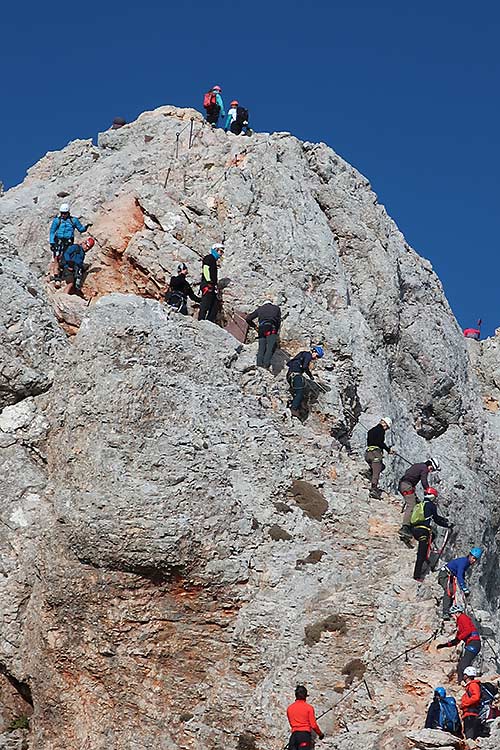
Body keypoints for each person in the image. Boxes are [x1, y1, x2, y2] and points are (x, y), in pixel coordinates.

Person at [409, 487, 452, 582]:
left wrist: (442, 519)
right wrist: (447, 525)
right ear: (433, 496)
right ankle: (417, 576)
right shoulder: (431, 506)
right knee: (421, 554)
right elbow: (436, 519)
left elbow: (433, 517)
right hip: (424, 531)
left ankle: (425, 557)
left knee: (432, 538)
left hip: (415, 529)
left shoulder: (421, 504)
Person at [437, 604, 481, 682]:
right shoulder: (460, 623)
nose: (452, 617)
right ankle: (462, 681)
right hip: (472, 643)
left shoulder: (462, 617)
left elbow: (468, 631)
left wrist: (459, 637)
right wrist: (445, 645)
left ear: (457, 613)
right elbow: (456, 640)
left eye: (452, 615)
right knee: (461, 665)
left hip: (473, 643)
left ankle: (463, 682)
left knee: (463, 665)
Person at [437, 548, 483, 620]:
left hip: (449, 575)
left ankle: (449, 610)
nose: (474, 560)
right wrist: (463, 587)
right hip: (444, 575)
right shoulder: (464, 562)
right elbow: (459, 575)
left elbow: (462, 573)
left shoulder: (466, 563)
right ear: (470, 555)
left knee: (453, 591)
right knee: (449, 590)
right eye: (473, 558)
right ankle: (445, 612)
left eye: (475, 559)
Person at [49, 204, 91, 278]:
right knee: (56, 257)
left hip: (68, 241)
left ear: (68, 213)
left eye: (64, 213)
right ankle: (56, 274)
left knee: (66, 256)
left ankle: (65, 272)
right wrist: (52, 242)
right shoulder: (57, 221)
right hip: (58, 241)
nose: (63, 215)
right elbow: (52, 231)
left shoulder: (73, 220)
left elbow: (80, 229)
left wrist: (86, 227)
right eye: (62, 213)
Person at [398, 460, 435, 542]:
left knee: (417, 503)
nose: (430, 471)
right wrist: (428, 490)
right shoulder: (424, 468)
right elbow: (424, 480)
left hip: (403, 484)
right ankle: (405, 527)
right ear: (430, 464)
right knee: (411, 505)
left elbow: (407, 472)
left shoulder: (417, 465)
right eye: (431, 468)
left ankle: (411, 526)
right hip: (407, 486)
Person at [286, 346, 324, 418]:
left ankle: (295, 407)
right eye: (317, 356)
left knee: (298, 392)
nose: (316, 358)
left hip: (290, 375)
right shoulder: (308, 355)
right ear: (314, 352)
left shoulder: (303, 355)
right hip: (296, 375)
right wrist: (310, 376)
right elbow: (305, 366)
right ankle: (293, 409)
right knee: (300, 393)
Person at [245, 299, 281, 369]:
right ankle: (266, 365)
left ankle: (259, 365)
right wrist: (276, 332)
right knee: (270, 347)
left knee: (261, 347)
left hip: (262, 328)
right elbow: (278, 321)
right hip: (271, 327)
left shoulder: (260, 309)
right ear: (271, 303)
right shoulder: (276, 308)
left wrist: (255, 326)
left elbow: (248, 318)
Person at [286, 685, 324, 750]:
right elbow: (313, 725)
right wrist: (320, 734)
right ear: (305, 696)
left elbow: (291, 723)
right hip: (304, 736)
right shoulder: (309, 708)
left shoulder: (289, 708)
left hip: (293, 737)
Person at [365, 418, 392, 499]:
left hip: (368, 453)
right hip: (375, 453)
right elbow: (380, 442)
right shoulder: (381, 431)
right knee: (377, 469)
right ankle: (373, 489)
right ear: (384, 423)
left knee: (381, 467)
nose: (386, 429)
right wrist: (388, 450)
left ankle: (369, 473)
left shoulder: (371, 430)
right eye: (387, 427)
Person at [198, 244, 224, 322]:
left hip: (211, 285)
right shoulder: (209, 258)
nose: (221, 253)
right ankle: (201, 320)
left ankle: (209, 320)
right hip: (207, 284)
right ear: (215, 250)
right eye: (220, 251)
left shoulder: (213, 260)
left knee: (215, 304)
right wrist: (208, 281)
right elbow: (205, 269)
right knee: (205, 303)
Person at [460, 667, 482, 739]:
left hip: (471, 714)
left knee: (470, 737)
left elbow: (476, 697)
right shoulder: (470, 685)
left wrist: (464, 704)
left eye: (464, 674)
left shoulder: (473, 685)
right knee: (469, 735)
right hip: (469, 714)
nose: (463, 676)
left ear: (467, 676)